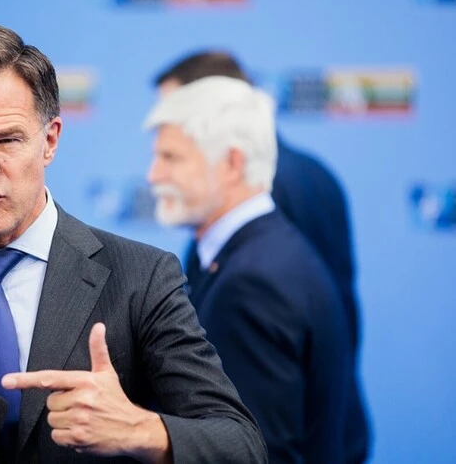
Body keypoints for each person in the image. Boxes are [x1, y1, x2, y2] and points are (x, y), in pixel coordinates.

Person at [0, 23, 267, 464]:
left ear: (49, 141)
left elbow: (241, 445)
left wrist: (140, 430)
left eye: (7, 140)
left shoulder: (141, 278)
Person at [153, 51, 370, 464]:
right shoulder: (310, 173)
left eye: (176, 114)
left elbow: (259, 436)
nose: (155, 171)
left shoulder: (256, 259)